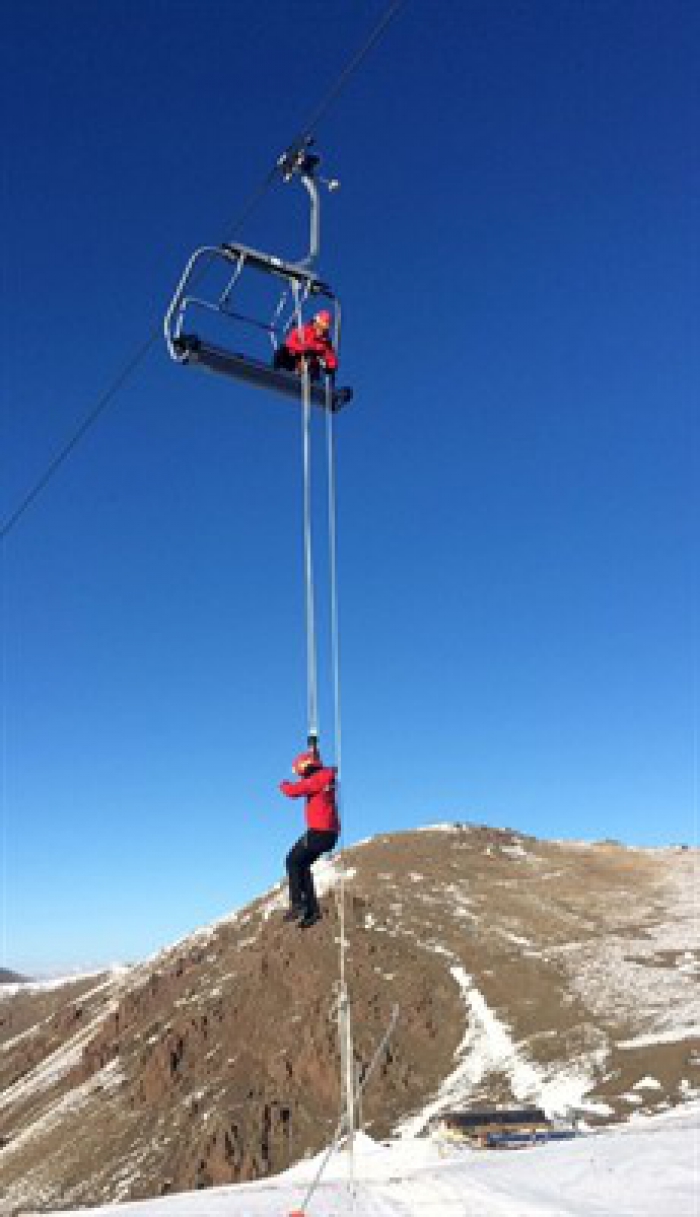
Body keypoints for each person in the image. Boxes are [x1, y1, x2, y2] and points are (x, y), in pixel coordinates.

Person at [279, 744, 339, 929]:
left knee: (292, 861)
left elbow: (293, 791)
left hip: (319, 833)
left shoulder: (318, 779)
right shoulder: (324, 776)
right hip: (327, 834)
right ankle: (312, 911)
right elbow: (314, 765)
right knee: (302, 865)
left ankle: (298, 903)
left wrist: (283, 784)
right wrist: (313, 749)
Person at [273, 310, 338, 381]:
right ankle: (276, 370)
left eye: (324, 329)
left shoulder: (325, 342)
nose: (321, 331)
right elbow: (290, 342)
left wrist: (330, 367)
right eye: (320, 327)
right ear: (316, 323)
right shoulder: (304, 330)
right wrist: (303, 349)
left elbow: (331, 357)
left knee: (314, 360)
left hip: (310, 365)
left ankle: (309, 378)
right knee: (283, 350)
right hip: (296, 358)